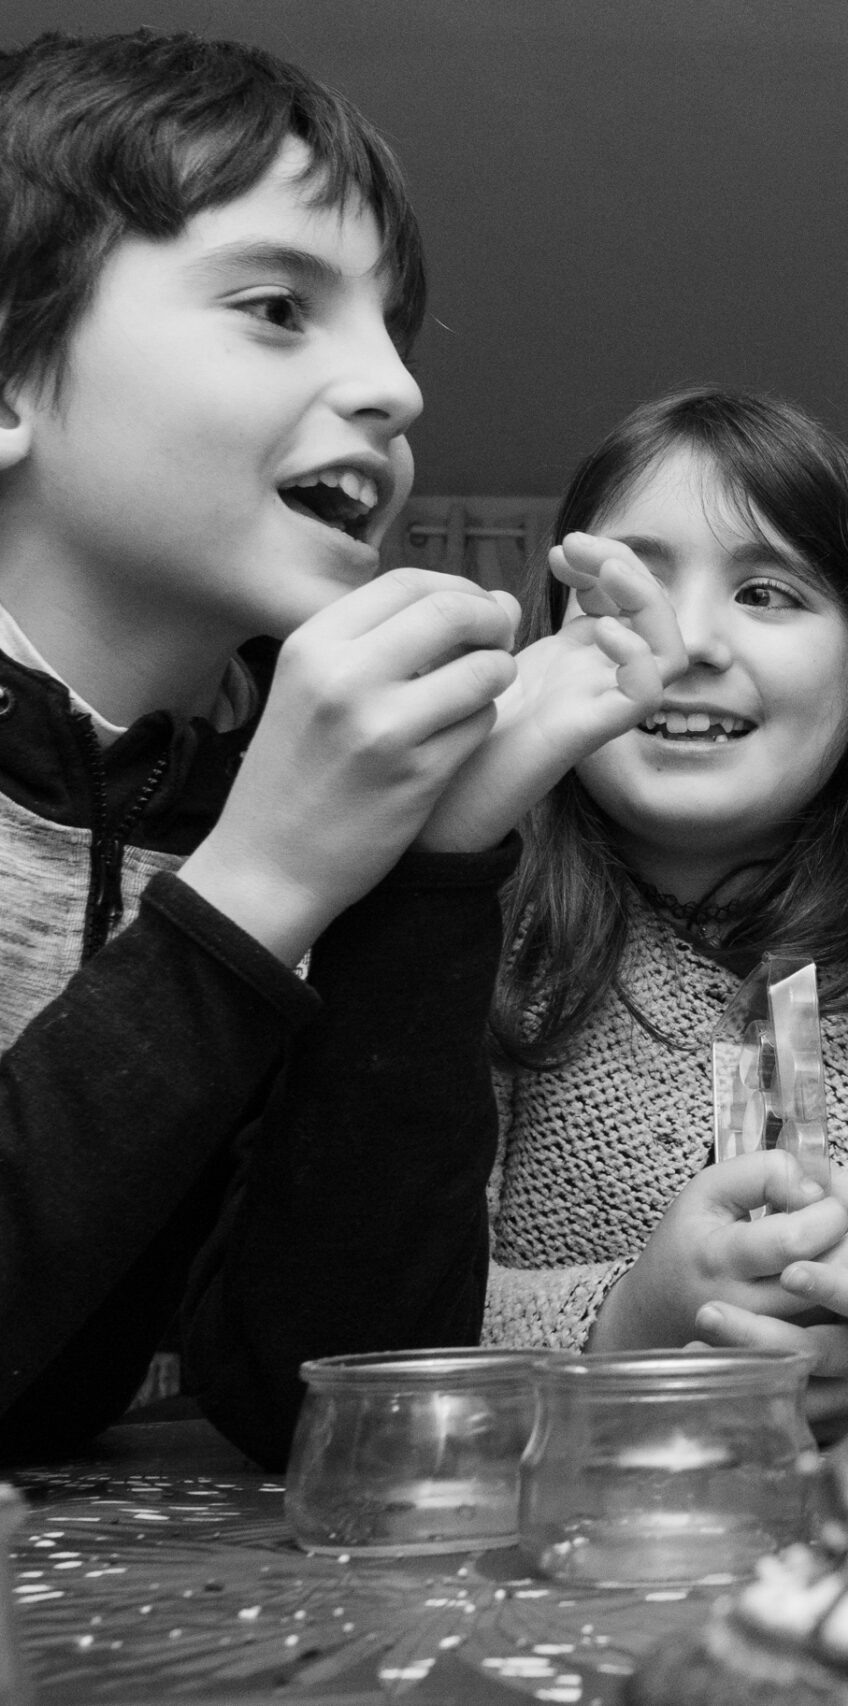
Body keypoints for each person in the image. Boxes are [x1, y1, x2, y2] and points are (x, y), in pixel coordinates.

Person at [0, 29, 667, 1466]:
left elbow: (318, 1402)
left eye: (393, 329)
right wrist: (258, 883)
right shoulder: (278, 827)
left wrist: (432, 867)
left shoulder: (288, 782)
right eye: (276, 306)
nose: (397, 389)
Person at [481, 386, 848, 1430]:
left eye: (768, 593)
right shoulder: (462, 906)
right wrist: (618, 1329)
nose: (688, 638)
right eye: (631, 585)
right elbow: (373, 1297)